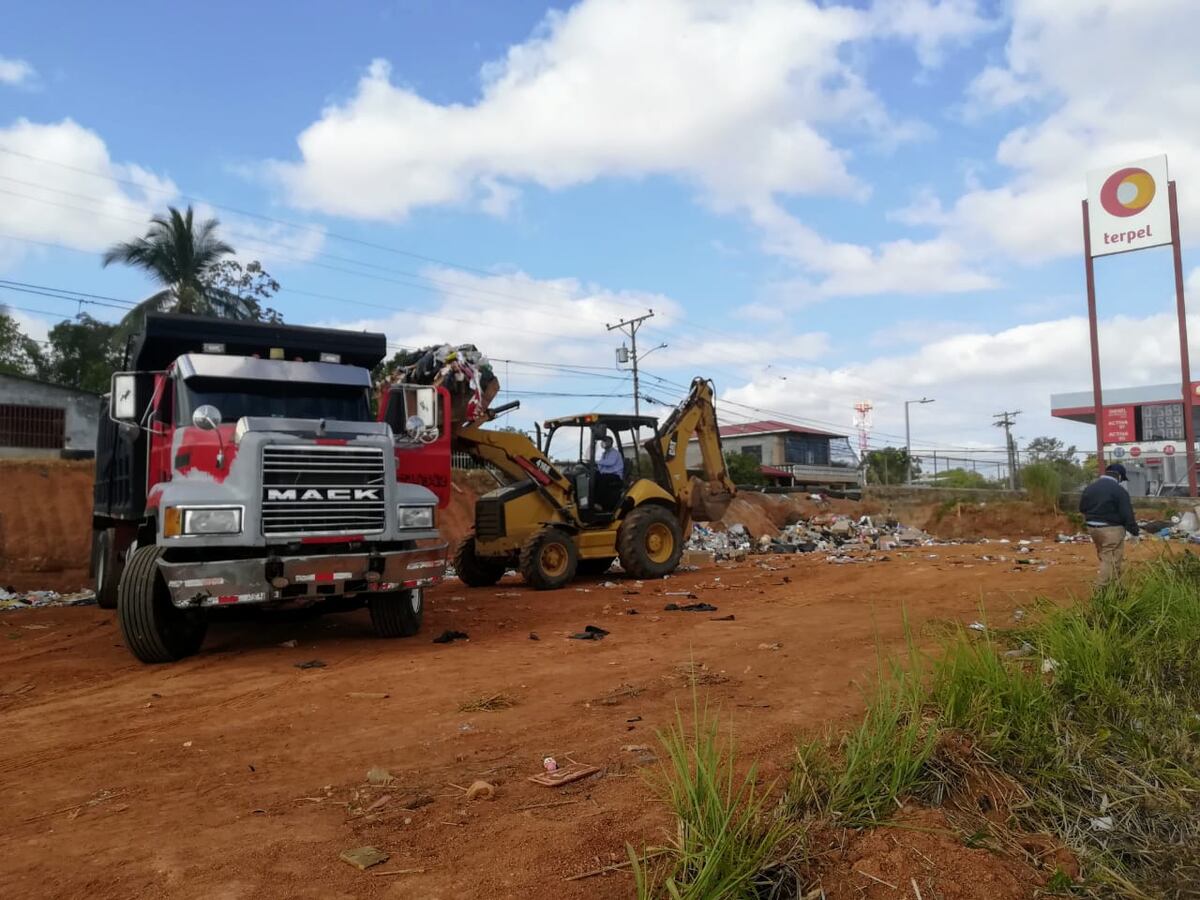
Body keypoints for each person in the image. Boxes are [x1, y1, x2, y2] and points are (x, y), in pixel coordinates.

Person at [1078, 463, 1139, 586]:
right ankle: (1101, 590)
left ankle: (1117, 589)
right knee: (1110, 560)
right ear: (1119, 476)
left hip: (1093, 528)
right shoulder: (1119, 490)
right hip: (1111, 530)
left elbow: (1082, 508)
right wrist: (1134, 531)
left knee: (1107, 557)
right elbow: (1127, 513)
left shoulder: (1090, 488)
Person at [595, 436, 625, 509]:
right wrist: (596, 468)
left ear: (610, 443)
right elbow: (601, 466)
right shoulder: (604, 453)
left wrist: (597, 462)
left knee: (602, 479)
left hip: (616, 475)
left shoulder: (614, 453)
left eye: (605, 441)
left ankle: (600, 503)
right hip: (607, 474)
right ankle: (592, 501)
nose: (603, 443)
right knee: (593, 476)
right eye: (603, 441)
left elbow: (609, 463)